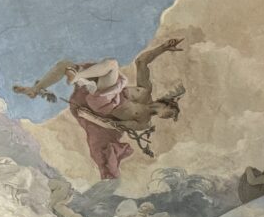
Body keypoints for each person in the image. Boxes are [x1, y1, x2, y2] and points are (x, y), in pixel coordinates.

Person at [14, 39, 185, 179]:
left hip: (104, 104)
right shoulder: (146, 90)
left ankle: (78, 77)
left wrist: (89, 117)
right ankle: (35, 89)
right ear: (167, 104)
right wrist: (163, 48)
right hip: (107, 91)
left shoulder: (144, 122)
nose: (167, 117)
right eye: (170, 113)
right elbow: (142, 62)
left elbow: (114, 125)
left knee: (111, 66)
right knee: (68, 65)